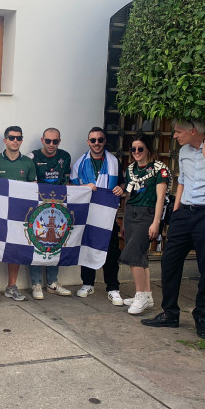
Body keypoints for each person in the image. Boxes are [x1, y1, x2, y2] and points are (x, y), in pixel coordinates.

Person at [142, 120, 205, 338]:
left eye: (177, 131)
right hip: (184, 212)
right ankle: (170, 312)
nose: (174, 136)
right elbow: (182, 180)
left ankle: (201, 315)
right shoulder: (183, 150)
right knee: (169, 260)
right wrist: (176, 212)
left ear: (193, 131)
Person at [112, 136, 169, 315]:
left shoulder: (159, 169)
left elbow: (160, 197)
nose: (136, 152)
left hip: (148, 213)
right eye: (134, 149)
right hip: (132, 213)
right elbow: (128, 196)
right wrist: (124, 220)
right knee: (140, 255)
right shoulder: (131, 169)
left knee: (133, 254)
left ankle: (140, 294)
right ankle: (146, 294)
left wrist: (156, 222)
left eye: (140, 149)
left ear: (149, 150)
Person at [70, 127, 123, 303]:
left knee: (111, 252)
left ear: (104, 141)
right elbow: (72, 188)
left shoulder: (114, 161)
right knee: (86, 248)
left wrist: (121, 188)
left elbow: (123, 184)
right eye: (93, 140)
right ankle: (87, 283)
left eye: (100, 140)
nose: (97, 143)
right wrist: (84, 188)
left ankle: (113, 287)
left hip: (107, 216)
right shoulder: (79, 164)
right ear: (88, 142)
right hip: (87, 215)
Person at [0, 126, 36, 303]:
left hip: (19, 214)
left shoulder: (28, 163)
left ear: (22, 140)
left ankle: (11, 287)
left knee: (15, 249)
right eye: (12, 137)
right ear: (5, 140)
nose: (15, 141)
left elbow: (33, 188)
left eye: (19, 138)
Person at [30, 128, 72, 299]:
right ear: (42, 140)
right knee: (36, 240)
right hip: (38, 204)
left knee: (56, 240)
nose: (51, 145)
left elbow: (67, 180)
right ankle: (36, 283)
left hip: (59, 203)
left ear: (59, 141)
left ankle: (52, 283)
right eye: (48, 141)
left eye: (55, 141)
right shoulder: (32, 157)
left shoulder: (65, 156)